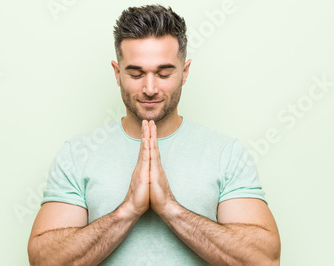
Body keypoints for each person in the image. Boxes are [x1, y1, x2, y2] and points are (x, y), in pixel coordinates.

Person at [27, 4, 281, 265]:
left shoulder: (227, 154)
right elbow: (45, 261)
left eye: (163, 73)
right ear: (117, 73)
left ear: (185, 72)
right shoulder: (77, 154)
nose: (150, 88)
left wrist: (170, 208)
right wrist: (127, 211)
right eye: (136, 73)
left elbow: (264, 260)